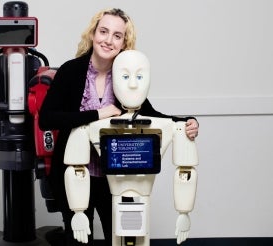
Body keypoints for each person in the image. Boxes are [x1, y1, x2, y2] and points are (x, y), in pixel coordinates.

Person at [39, 8, 199, 246]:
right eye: (103, 31)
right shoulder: (71, 71)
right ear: (93, 34)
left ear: (124, 42)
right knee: (78, 241)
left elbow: (151, 114)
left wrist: (186, 121)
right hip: (74, 175)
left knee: (122, 239)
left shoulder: (126, 76)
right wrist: (97, 114)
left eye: (117, 35)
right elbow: (47, 119)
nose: (108, 40)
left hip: (113, 177)